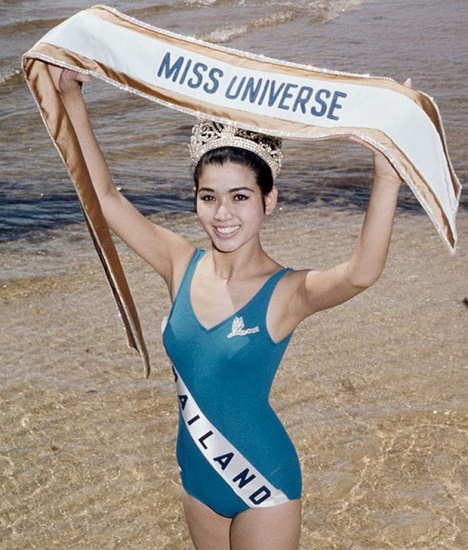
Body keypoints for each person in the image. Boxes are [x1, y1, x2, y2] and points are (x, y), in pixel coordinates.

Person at [47, 64, 408, 550]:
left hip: (262, 482)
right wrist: (71, 97)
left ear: (269, 200)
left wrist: (386, 177)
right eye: (208, 197)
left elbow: (362, 272)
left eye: (240, 197)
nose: (222, 214)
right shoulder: (179, 263)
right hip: (198, 479)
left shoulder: (286, 292)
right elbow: (105, 198)